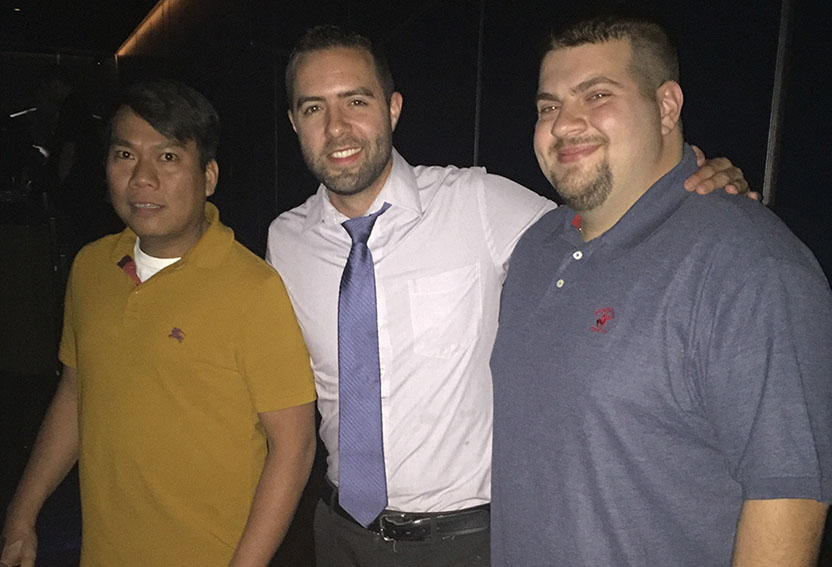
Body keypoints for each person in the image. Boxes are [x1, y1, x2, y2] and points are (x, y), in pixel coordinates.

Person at [267, 25, 750, 566]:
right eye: (314, 108)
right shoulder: (284, 242)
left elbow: (609, 230)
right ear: (294, 122)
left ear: (393, 108)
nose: (336, 127)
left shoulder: (476, 203)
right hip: (338, 534)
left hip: (464, 544)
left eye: (356, 101)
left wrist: (692, 185)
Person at [489, 12, 832, 567]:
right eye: (548, 107)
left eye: (597, 95)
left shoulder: (752, 267)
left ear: (667, 106)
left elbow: (787, 496)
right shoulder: (535, 249)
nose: (564, 123)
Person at [0, 79, 317, 566]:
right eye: (125, 155)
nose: (142, 179)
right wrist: (21, 515)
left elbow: (294, 446)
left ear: (208, 176)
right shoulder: (91, 269)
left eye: (168, 157)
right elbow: (76, 394)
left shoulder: (253, 289)